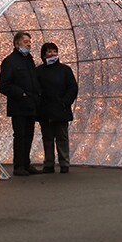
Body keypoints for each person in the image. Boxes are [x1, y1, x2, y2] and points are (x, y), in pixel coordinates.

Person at [0, 31, 42, 176]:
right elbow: (3, 85)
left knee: (29, 135)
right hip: (18, 106)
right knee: (20, 135)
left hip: (31, 105)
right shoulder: (10, 61)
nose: (28, 44)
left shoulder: (29, 60)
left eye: (29, 42)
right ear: (17, 44)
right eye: (25, 42)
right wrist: (21, 94)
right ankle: (19, 166)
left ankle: (26, 163)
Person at [36, 42, 78, 174]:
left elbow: (72, 88)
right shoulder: (38, 71)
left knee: (62, 137)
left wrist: (65, 102)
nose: (52, 54)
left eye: (54, 51)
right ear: (44, 55)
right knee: (47, 138)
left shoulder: (65, 70)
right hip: (45, 110)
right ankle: (48, 163)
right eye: (49, 51)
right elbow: (35, 89)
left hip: (61, 109)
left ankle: (64, 163)